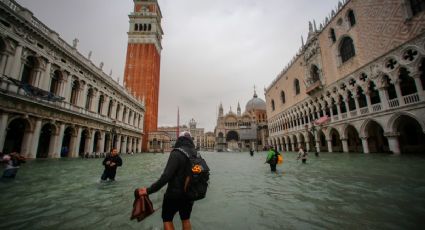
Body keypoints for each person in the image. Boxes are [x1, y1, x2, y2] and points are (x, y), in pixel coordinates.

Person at [138, 131, 196, 230]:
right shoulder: (195, 153)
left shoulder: (177, 153)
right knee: (186, 219)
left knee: (167, 219)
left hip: (174, 194)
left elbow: (166, 176)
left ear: (180, 139)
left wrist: (148, 190)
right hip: (190, 194)